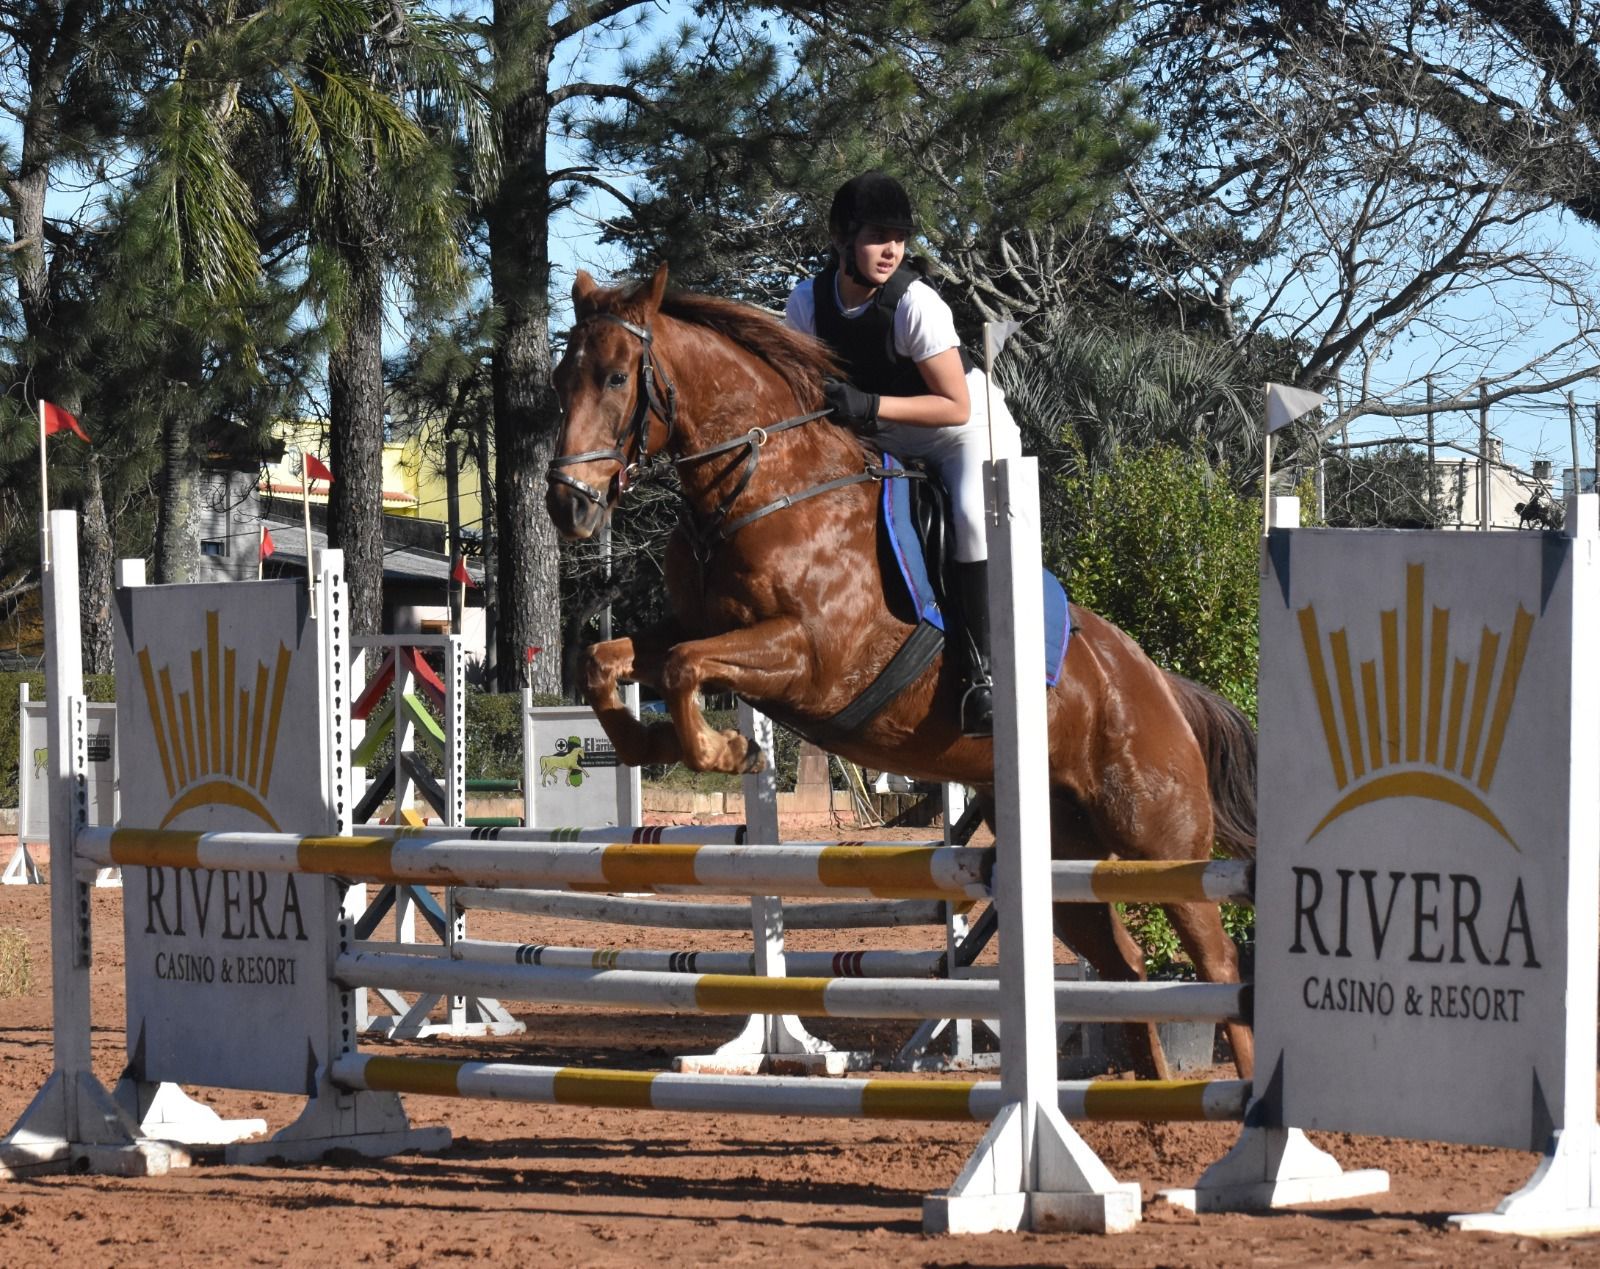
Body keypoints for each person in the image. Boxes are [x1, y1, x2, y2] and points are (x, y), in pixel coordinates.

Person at [784, 169, 1023, 737]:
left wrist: (868, 404)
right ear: (843, 238)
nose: (891, 249)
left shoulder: (917, 304)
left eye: (900, 237)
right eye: (877, 235)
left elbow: (955, 406)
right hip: (878, 436)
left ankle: (984, 675)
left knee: (968, 518)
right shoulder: (806, 304)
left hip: (963, 434)